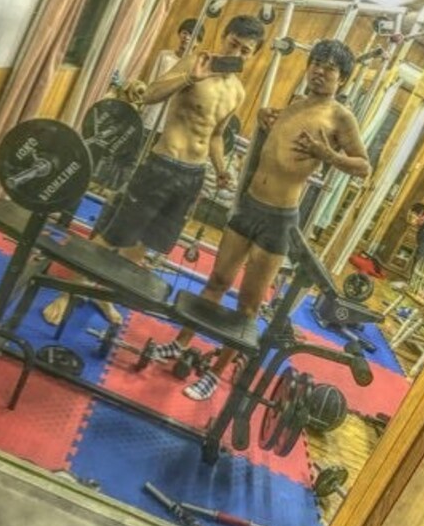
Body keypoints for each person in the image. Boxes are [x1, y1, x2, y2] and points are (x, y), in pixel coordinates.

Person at [151, 39, 372, 401]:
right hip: (249, 205)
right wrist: (263, 119)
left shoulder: (340, 117)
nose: (319, 71)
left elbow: (363, 167)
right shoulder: (295, 103)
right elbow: (275, 143)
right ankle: (181, 342)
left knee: (248, 305)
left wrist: (327, 154)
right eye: (316, 63)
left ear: (343, 79)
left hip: (278, 219)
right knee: (217, 281)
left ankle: (215, 373)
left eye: (329, 68)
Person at [42, 15, 266, 327]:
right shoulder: (194, 63)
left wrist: (220, 168)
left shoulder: (237, 92)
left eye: (245, 51)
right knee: (113, 235)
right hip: (162, 165)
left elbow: (216, 134)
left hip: (193, 176)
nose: (236, 53)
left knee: (141, 247)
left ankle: (103, 293)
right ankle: (66, 293)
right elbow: (149, 95)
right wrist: (189, 79)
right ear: (224, 37)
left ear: (252, 55)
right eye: (234, 44)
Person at [141, 18, 206, 136]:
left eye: (192, 35)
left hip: (172, 117)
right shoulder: (164, 55)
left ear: (197, 42)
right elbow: (152, 81)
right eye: (185, 33)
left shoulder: (195, 66)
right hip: (152, 110)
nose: (187, 37)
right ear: (179, 34)